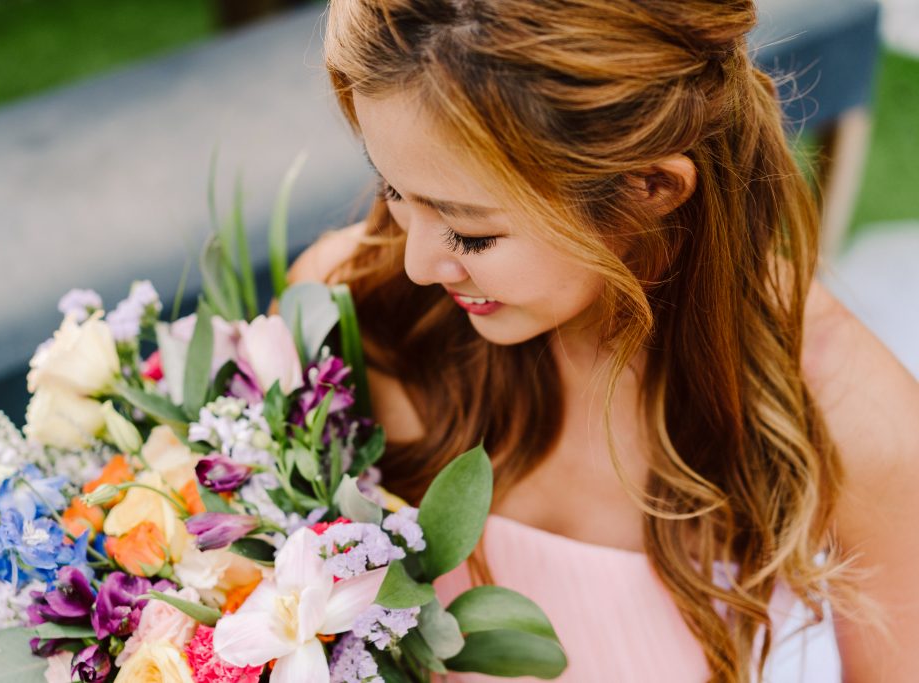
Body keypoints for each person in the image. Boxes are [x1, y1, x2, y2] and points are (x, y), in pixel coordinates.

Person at [274, 1, 919, 680]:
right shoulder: (351, 306)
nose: (415, 263)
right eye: (392, 188)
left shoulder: (849, 415)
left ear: (650, 186)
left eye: (471, 231)